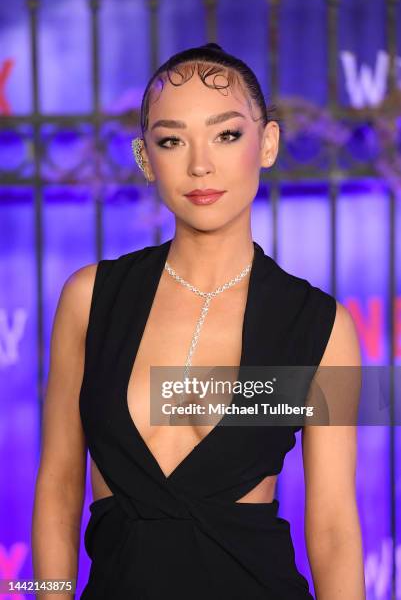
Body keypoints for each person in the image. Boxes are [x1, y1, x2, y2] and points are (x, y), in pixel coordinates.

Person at [32, 43, 365, 599]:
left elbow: (333, 527)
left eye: (227, 134)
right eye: (171, 140)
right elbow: (59, 484)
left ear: (269, 144)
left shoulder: (323, 326)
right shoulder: (89, 299)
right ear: (145, 158)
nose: (200, 164)